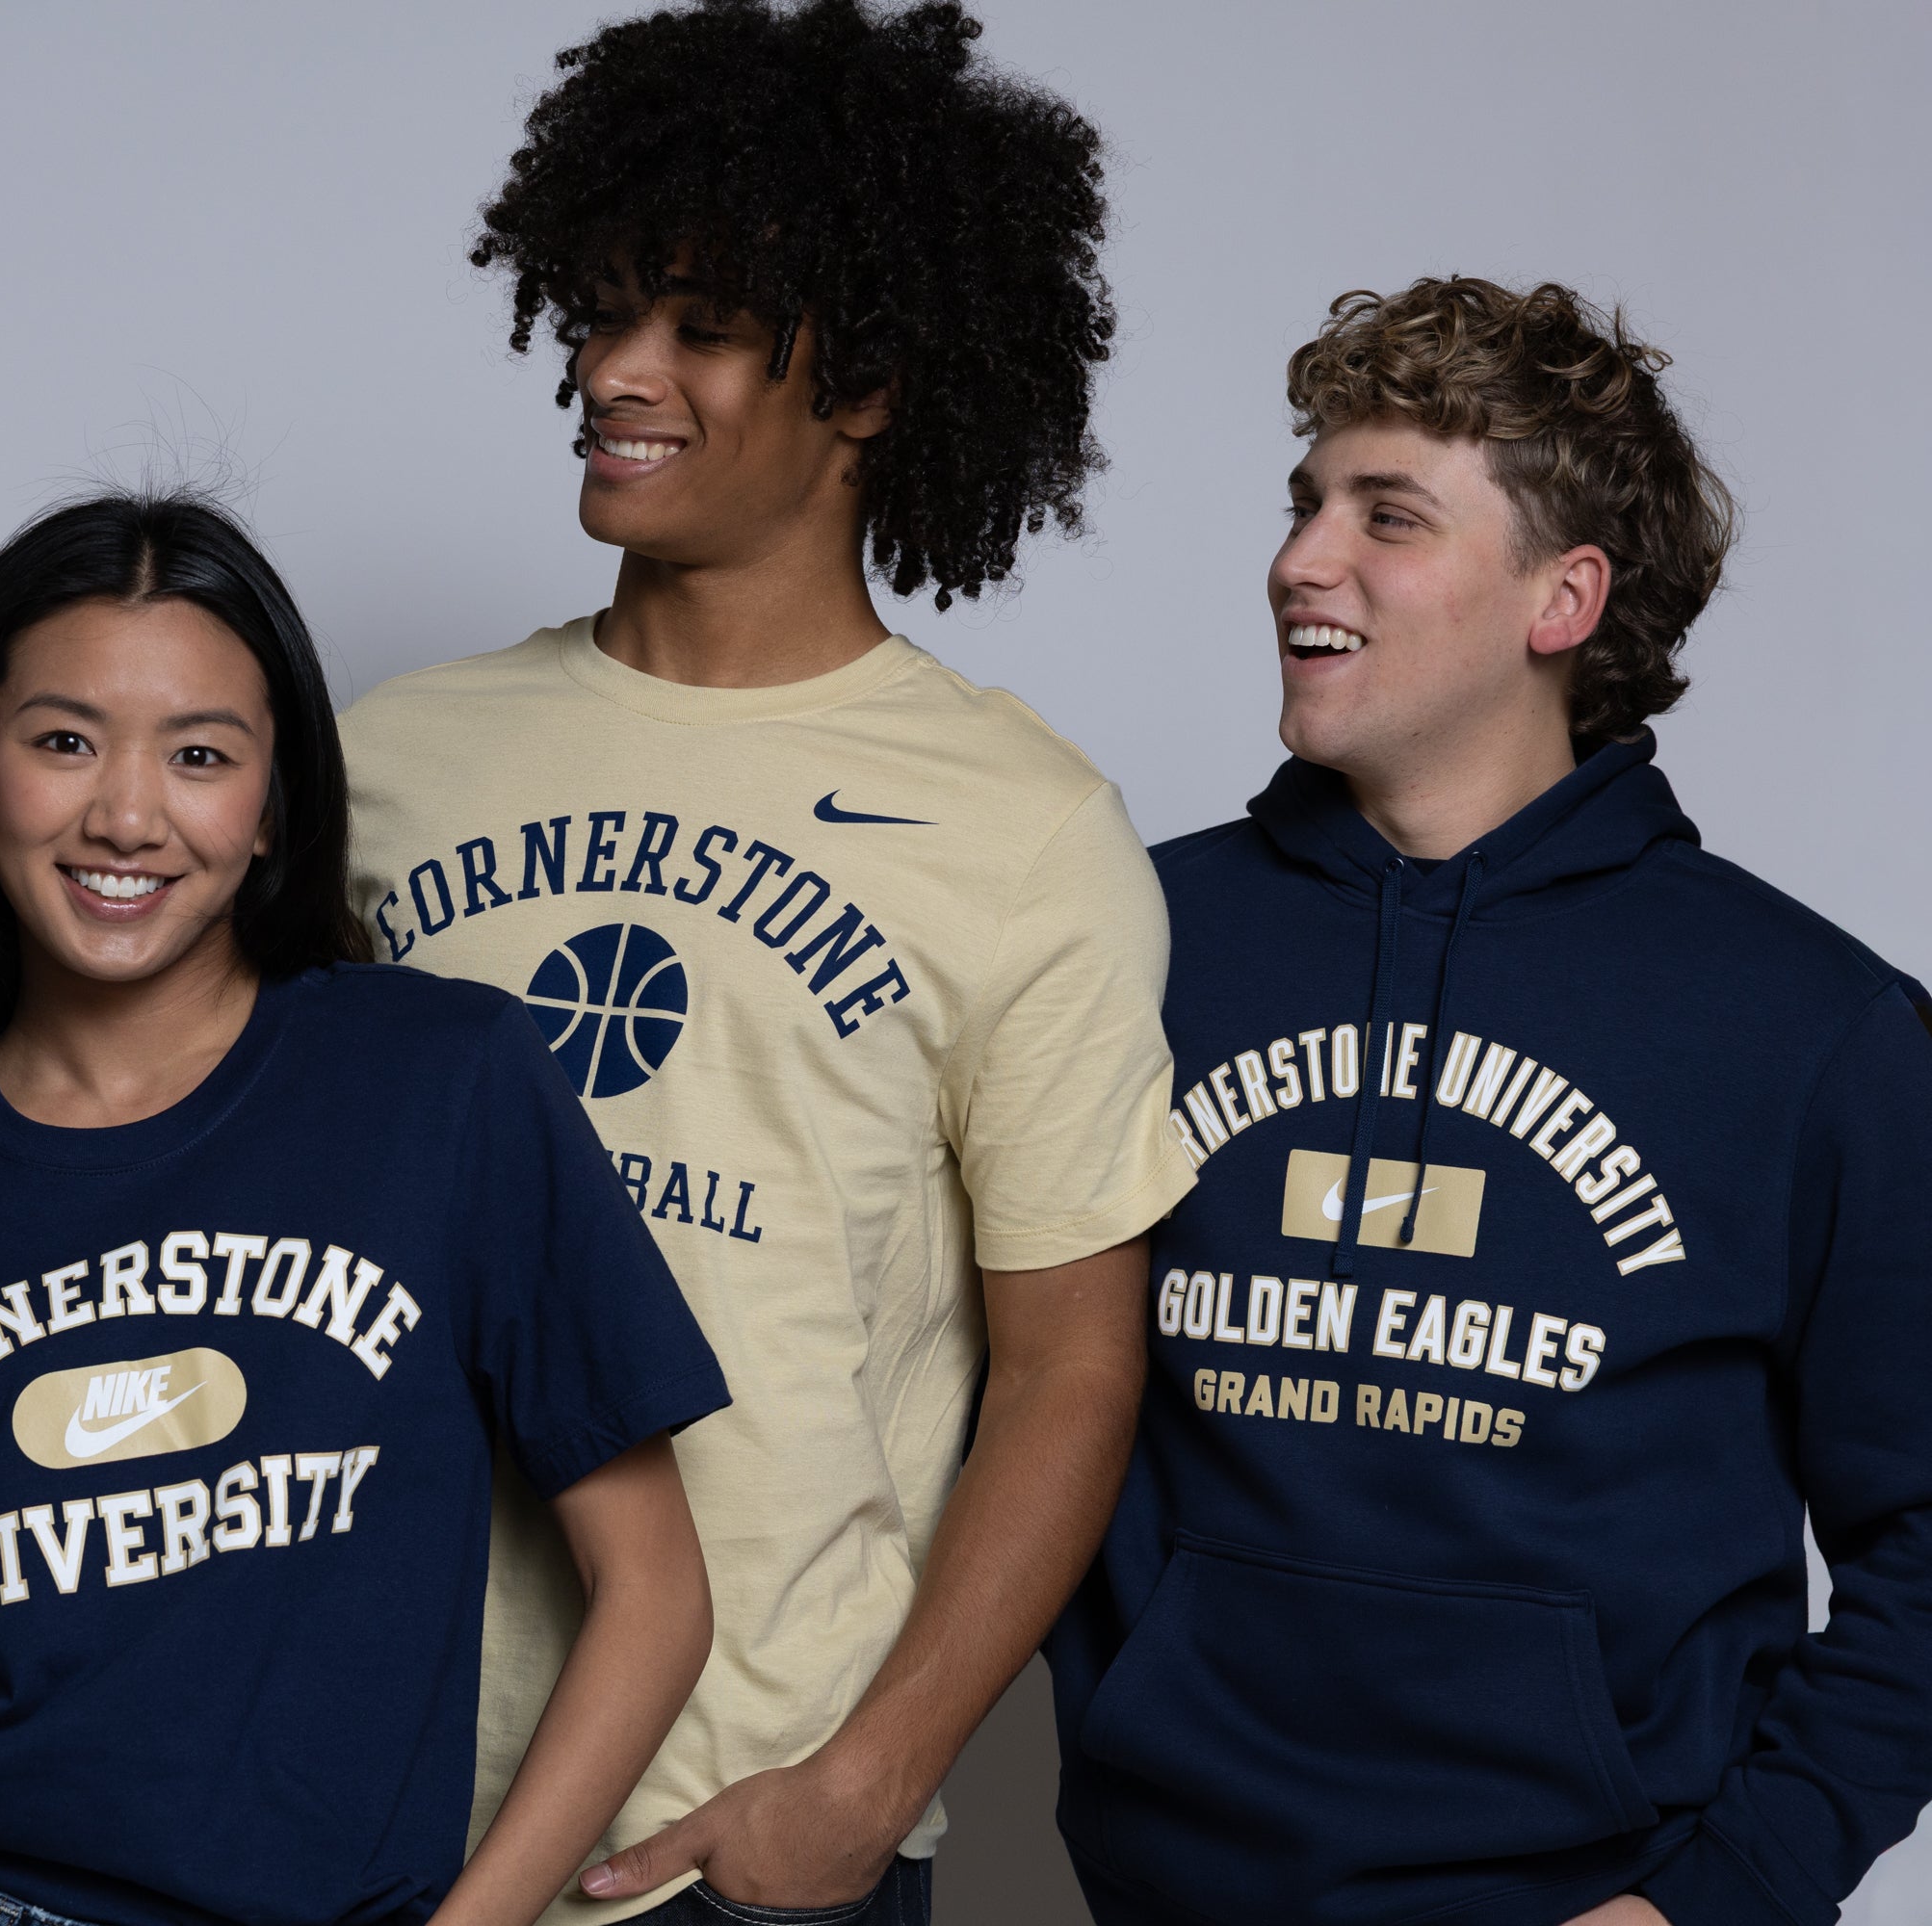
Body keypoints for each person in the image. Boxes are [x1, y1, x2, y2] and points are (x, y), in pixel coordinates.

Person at [339, 4, 1192, 1920]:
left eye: (701, 327)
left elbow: (1072, 1367)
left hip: (721, 1847)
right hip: (359, 1794)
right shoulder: (389, 760)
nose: (616, 371)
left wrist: (864, 1784)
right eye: (604, 309)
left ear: (870, 382)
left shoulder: (1021, 826)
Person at [0, 494, 726, 1926]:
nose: (125, 812)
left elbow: (657, 1593)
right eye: (62, 740)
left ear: (273, 805)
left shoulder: (443, 1082)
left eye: (200, 756)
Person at [1047, 277, 1932, 1925]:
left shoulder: (1818, 1030)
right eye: (1308, 503)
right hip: (1163, 1884)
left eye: (1389, 516)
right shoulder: (1122, 942)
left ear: (1562, 599)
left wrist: (1729, 1892)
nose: (1303, 560)